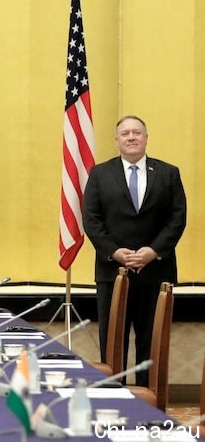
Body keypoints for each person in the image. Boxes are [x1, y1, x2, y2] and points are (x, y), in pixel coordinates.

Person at [83, 115, 186, 386]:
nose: (131, 137)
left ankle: (148, 401)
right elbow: (91, 220)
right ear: (116, 141)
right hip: (113, 273)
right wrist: (115, 252)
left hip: (156, 272)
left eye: (137, 132)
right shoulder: (99, 174)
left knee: (150, 343)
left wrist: (153, 251)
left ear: (146, 137)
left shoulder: (168, 173)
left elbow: (177, 218)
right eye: (125, 133)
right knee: (113, 342)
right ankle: (113, 397)